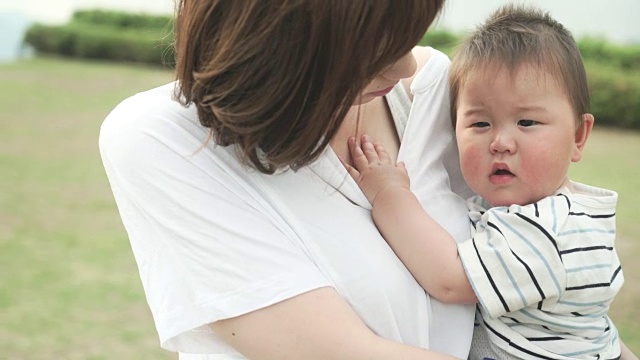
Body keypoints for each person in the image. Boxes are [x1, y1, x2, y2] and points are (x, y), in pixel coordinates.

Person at [99, 1, 478, 359]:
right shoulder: (166, 138)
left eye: (406, 35)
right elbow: (344, 353)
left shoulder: (437, 95)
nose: (404, 68)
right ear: (282, 40)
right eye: (375, 47)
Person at [343, 4, 640, 360]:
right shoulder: (531, 210)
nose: (500, 142)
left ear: (578, 136)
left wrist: (389, 194)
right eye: (480, 124)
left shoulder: (549, 230)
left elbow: (449, 277)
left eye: (527, 123)